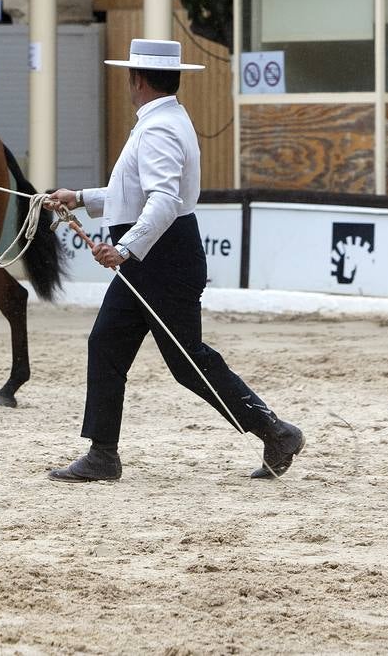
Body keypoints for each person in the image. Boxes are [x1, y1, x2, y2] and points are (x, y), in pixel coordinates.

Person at [45, 38, 305, 482]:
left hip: (160, 259)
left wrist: (125, 249)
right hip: (158, 258)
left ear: (137, 79)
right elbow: (137, 196)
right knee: (107, 343)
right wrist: (82, 198)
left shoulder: (158, 129)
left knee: (187, 360)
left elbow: (163, 200)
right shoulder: (164, 120)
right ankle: (103, 454)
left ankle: (275, 431)